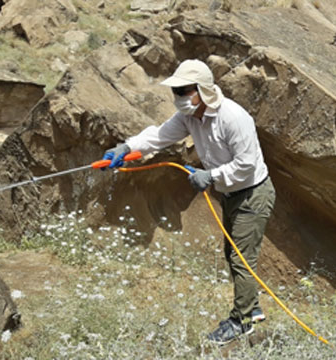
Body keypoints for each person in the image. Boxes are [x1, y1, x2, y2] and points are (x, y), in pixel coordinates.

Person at [103, 59, 276, 345]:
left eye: (184, 91)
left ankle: (242, 320)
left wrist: (211, 175)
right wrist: (127, 147)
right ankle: (251, 307)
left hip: (253, 193)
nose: (179, 97)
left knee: (241, 259)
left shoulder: (233, 117)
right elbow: (158, 137)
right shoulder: (188, 116)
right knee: (231, 255)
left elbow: (246, 165)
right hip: (231, 194)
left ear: (202, 90)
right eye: (176, 91)